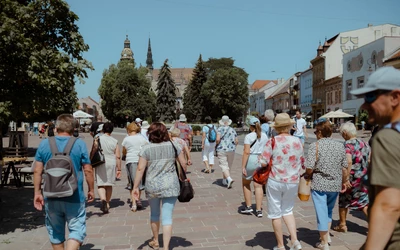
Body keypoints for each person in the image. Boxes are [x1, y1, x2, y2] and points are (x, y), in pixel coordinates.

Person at [350, 66, 400, 250]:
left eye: (371, 97)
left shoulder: (388, 137)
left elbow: (388, 206)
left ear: (395, 97)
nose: (364, 105)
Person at [33, 114, 94, 250]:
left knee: (55, 231)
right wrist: (91, 189)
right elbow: (88, 170)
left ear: (57, 127)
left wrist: (37, 192)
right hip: (74, 195)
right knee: (77, 230)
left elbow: (37, 171)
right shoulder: (79, 144)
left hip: (51, 195)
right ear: (74, 128)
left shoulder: (44, 144)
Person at [132, 122, 187, 250]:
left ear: (150, 134)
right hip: (171, 184)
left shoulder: (146, 148)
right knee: (167, 217)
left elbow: (140, 169)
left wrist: (135, 187)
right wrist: (181, 176)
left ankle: (156, 241)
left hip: (152, 185)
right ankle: (166, 247)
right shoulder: (174, 145)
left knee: (155, 214)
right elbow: (183, 163)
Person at [259, 113, 304, 250]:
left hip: (275, 180)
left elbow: (263, 162)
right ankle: (295, 240)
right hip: (293, 181)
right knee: (288, 210)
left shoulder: (272, 141)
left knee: (275, 213)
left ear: (276, 127)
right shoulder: (297, 141)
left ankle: (280, 245)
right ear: (290, 126)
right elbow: (303, 163)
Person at [305, 119, 348, 250]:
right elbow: (345, 167)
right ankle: (327, 235)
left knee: (321, 212)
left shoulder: (315, 146)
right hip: (334, 184)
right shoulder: (340, 145)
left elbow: (309, 167)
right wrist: (345, 181)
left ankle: (324, 243)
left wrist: (307, 174)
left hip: (319, 184)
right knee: (328, 211)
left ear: (319, 132)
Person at [334, 122, 370, 233]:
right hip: (364, 177)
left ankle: (343, 225)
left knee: (343, 200)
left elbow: (348, 161)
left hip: (352, 178)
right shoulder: (364, 143)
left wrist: (345, 179)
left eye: (341, 133)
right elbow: (369, 159)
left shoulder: (347, 145)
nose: (341, 135)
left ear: (345, 133)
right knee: (364, 202)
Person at [90, 122, 121, 214]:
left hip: (100, 162)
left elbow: (94, 149)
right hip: (111, 162)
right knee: (109, 184)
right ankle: (107, 203)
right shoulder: (114, 141)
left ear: (103, 129)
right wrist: (119, 169)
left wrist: (90, 160)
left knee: (101, 183)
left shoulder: (97, 138)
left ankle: (102, 199)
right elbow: (118, 156)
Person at [241, 116, 268, 217]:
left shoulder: (248, 136)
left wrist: (243, 166)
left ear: (250, 126)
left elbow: (246, 152)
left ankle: (248, 206)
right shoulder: (265, 136)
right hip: (260, 160)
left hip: (251, 160)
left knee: (246, 183)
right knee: (258, 185)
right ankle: (259, 209)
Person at [122, 122, 149, 212]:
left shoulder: (126, 139)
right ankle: (138, 199)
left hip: (130, 161)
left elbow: (124, 151)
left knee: (132, 183)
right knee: (139, 182)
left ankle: (134, 203)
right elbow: (146, 148)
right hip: (141, 160)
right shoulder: (142, 138)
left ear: (129, 130)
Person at [216, 115, 238, 188]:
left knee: (223, 165)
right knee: (228, 165)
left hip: (222, 149)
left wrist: (216, 144)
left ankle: (228, 179)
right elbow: (236, 141)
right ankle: (224, 180)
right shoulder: (232, 130)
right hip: (231, 149)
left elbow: (218, 139)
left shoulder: (219, 129)